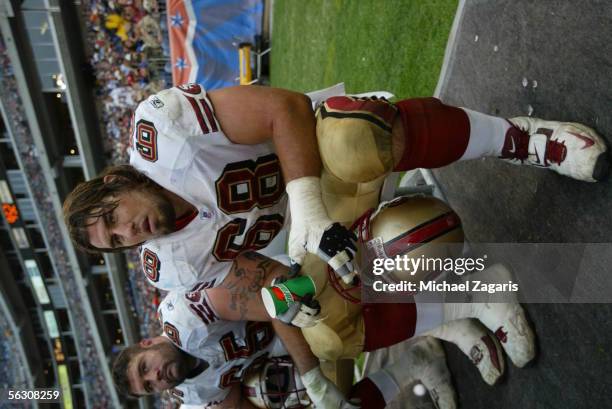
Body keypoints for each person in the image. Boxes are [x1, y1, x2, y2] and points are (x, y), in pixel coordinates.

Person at [63, 83, 609, 295]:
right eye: (117, 242)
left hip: (318, 155)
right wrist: (288, 298)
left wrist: (306, 207)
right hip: (323, 228)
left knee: (353, 140)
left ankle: (520, 138)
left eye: (112, 217)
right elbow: (260, 279)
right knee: (330, 317)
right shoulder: (171, 265)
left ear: (114, 182)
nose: (128, 231)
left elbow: (284, 108)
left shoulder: (159, 133)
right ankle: (477, 295)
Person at [112, 252, 531, 409]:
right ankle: (416, 362)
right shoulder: (189, 394)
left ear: (147, 342)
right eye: (148, 385)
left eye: (145, 367)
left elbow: (276, 301)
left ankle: (473, 295)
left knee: (326, 331)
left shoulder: (184, 319)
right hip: (286, 340)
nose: (155, 377)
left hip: (288, 283)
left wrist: (312, 375)